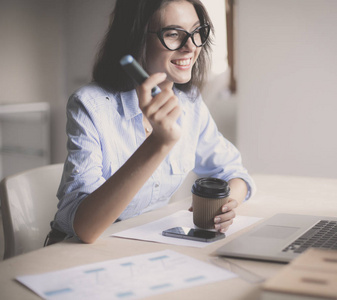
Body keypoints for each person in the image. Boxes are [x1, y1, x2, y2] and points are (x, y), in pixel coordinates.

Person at [47, 0, 256, 245]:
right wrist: (158, 143)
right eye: (173, 34)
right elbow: (85, 228)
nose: (190, 47)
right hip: (75, 250)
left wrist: (228, 204)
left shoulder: (189, 103)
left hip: (141, 243)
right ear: (136, 39)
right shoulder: (91, 106)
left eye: (197, 32)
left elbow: (234, 172)